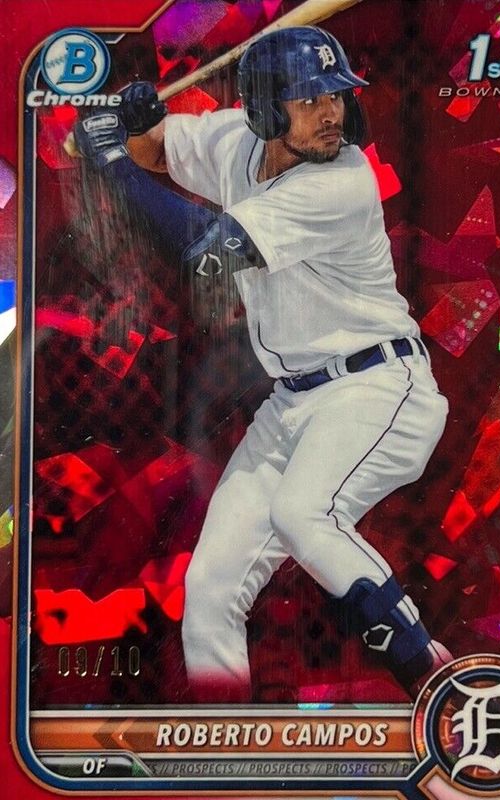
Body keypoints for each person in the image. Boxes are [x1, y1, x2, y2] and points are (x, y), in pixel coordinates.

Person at [74, 26, 452, 701]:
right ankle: (225, 738)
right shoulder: (234, 141)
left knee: (305, 515)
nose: (331, 112)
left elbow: (205, 255)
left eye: (335, 96)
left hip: (377, 388)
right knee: (210, 588)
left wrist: (114, 163)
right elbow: (155, 150)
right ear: (265, 110)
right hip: (292, 403)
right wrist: (134, 126)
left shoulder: (341, 182)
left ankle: (435, 680)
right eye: (309, 100)